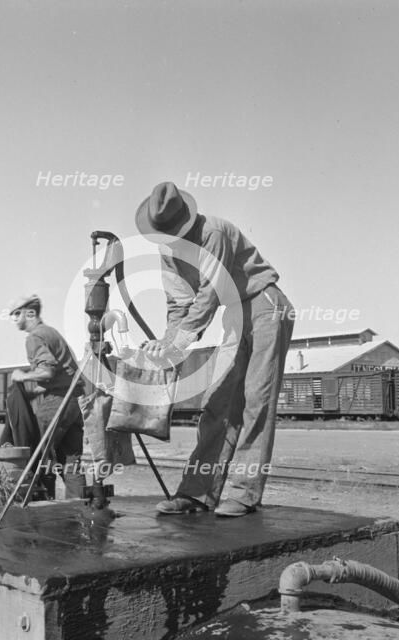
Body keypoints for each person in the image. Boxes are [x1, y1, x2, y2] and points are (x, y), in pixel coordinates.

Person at [136, 182, 294, 517]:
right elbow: (178, 304)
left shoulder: (214, 232)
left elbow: (209, 294)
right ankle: (196, 493)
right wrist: (168, 345)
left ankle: (244, 493)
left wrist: (181, 341)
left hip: (265, 303)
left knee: (256, 400)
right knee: (217, 403)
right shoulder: (166, 250)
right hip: (236, 313)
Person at [9, 294, 86, 499]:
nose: (14, 319)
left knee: (42, 454)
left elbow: (47, 372)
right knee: (71, 459)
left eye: (17, 313)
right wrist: (36, 391)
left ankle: (43, 504)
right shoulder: (52, 333)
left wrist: (22, 376)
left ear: (30, 313)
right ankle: (79, 505)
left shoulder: (35, 337)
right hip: (74, 402)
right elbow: (61, 376)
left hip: (56, 404)